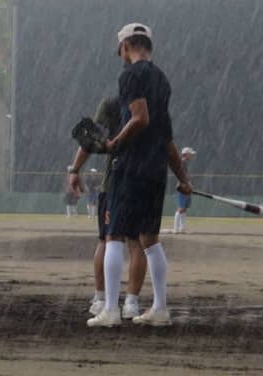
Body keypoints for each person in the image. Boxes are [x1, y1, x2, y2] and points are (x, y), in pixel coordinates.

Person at [85, 23, 192, 328]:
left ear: (126, 46)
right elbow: (167, 135)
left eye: (120, 50)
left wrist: (115, 143)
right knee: (150, 240)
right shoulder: (161, 79)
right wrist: (181, 176)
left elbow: (140, 118)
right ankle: (159, 308)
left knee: (115, 235)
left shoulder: (130, 75)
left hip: (130, 166)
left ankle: (110, 310)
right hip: (156, 169)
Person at [69, 96, 148, 320]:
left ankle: (101, 299)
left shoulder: (112, 104)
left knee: (108, 240)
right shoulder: (150, 106)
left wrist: (75, 170)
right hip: (142, 180)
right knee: (136, 242)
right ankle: (131, 302)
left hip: (114, 181)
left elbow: (89, 140)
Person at [173, 147, 197, 234]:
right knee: (181, 208)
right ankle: (176, 229)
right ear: (186, 154)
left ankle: (182, 228)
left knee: (184, 208)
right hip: (183, 188)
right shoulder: (182, 162)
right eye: (190, 154)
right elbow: (182, 176)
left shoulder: (184, 162)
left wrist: (189, 185)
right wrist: (188, 184)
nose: (191, 156)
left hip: (186, 188)